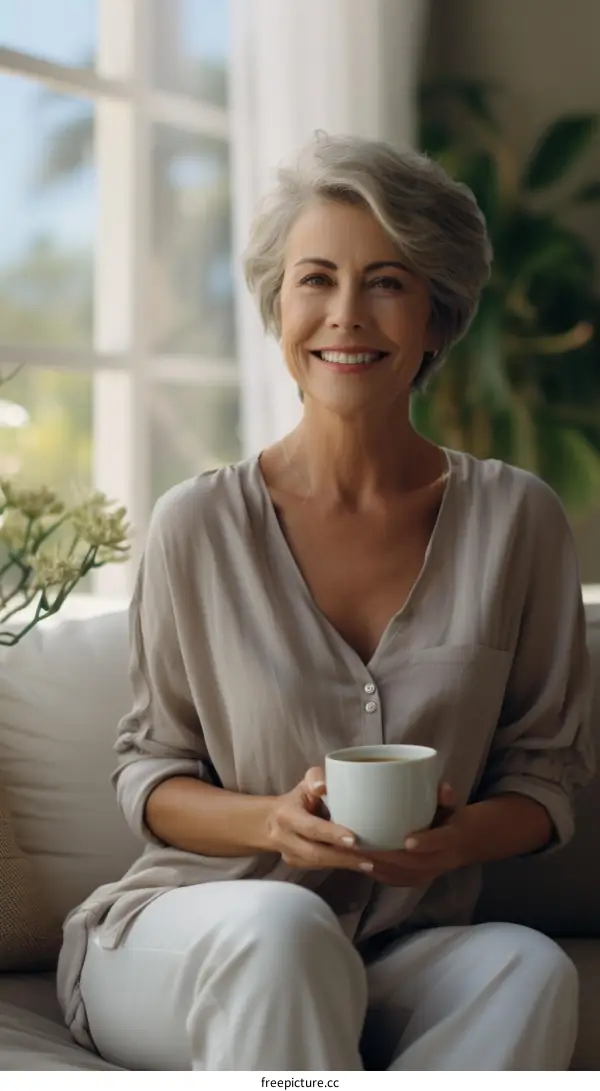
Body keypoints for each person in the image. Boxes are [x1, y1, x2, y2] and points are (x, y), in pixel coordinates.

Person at [58, 133, 594, 1071]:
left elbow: (545, 778)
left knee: (527, 967)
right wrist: (272, 820)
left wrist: (455, 837)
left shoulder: (519, 523)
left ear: (438, 317)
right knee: (283, 928)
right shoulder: (195, 524)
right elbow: (151, 770)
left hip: (397, 947)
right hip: (192, 938)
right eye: (316, 279)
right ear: (278, 310)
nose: (347, 315)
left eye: (387, 281)